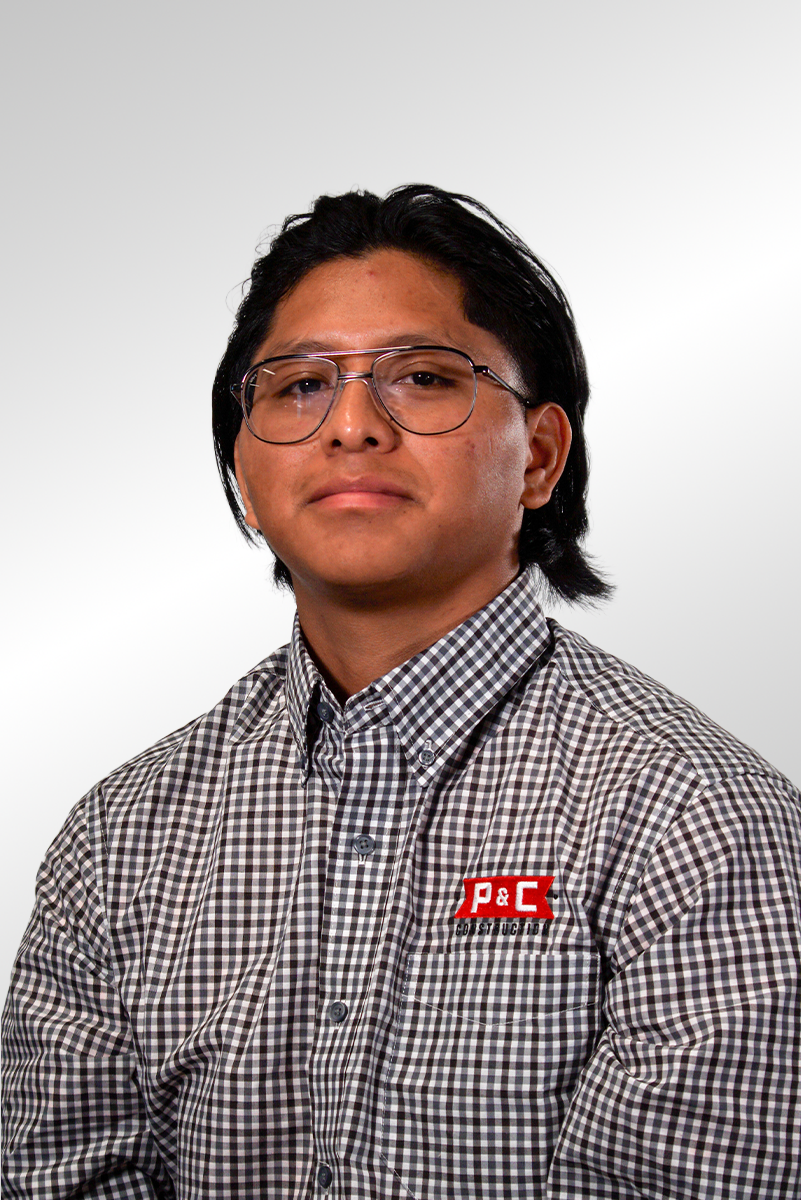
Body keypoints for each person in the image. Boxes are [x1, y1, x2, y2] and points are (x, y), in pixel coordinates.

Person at [3, 185, 799, 1200]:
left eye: (422, 378)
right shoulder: (121, 838)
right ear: (245, 470)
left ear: (541, 457)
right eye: (296, 387)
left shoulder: (700, 824)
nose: (350, 426)